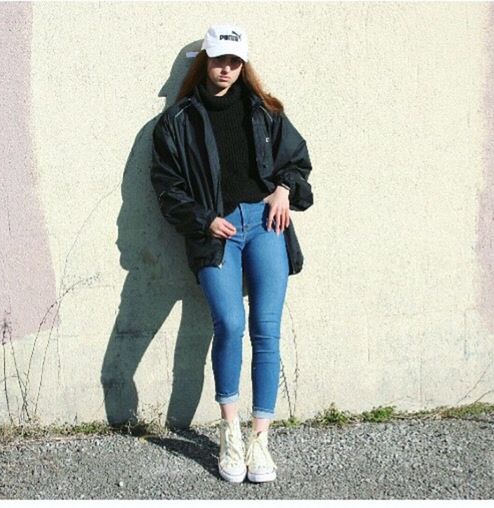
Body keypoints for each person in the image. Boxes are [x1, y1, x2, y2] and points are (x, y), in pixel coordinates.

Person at [150, 24, 313, 483]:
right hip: (216, 233)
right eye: (220, 60)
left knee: (266, 330)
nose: (227, 69)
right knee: (230, 323)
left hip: (266, 227)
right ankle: (230, 431)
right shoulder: (178, 120)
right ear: (205, 60)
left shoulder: (265, 113)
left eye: (235, 61)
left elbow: (298, 162)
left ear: (244, 65)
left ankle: (261, 438)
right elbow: (166, 185)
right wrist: (203, 219)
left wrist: (283, 189)